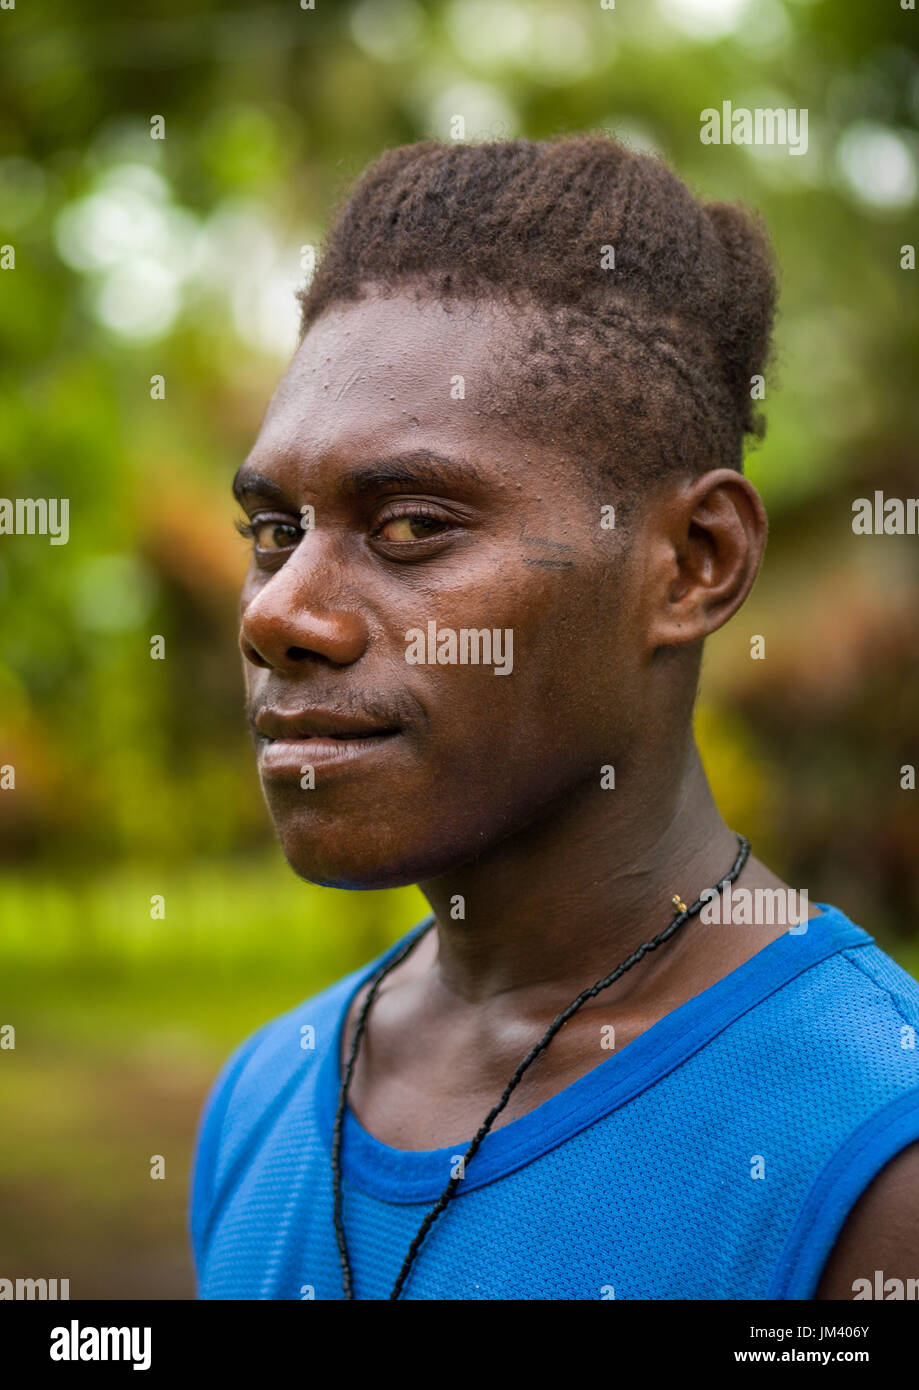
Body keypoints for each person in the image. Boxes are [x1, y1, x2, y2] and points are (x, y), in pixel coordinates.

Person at [190, 135, 919, 1300]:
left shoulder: (870, 1158)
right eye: (273, 531)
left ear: (692, 563)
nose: (280, 612)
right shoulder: (263, 1099)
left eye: (412, 527)